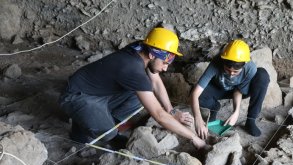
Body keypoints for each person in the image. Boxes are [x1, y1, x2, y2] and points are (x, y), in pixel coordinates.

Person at [59, 27, 206, 149]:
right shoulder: (132, 70)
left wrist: (172, 111)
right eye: (164, 63)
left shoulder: (140, 47)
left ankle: (101, 121)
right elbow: (159, 116)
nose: (166, 68)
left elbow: (154, 80)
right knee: (108, 133)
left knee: (141, 93)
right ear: (151, 55)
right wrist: (193, 137)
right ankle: (96, 129)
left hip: (96, 90)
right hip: (76, 96)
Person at [191, 39, 270, 139]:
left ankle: (251, 120)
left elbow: (239, 90)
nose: (231, 74)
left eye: (236, 72)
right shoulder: (216, 62)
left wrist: (236, 112)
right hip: (219, 88)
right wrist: (197, 118)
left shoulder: (250, 68)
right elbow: (195, 93)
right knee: (197, 94)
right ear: (223, 61)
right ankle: (213, 108)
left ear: (245, 64)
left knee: (262, 75)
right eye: (228, 70)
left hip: (239, 90)